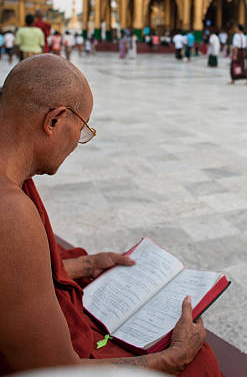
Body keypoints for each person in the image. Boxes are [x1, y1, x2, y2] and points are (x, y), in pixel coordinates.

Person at [0, 55, 221, 375]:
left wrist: (88, 264)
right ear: (54, 121)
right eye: (82, 130)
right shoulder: (11, 214)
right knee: (201, 363)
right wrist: (172, 359)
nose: (78, 142)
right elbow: (55, 370)